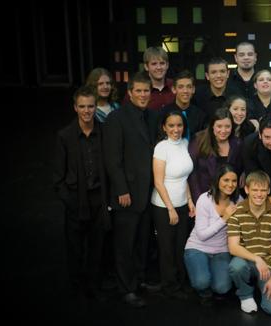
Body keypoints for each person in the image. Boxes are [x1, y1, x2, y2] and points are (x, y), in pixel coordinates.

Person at [104, 72, 159, 308]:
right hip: (127, 194)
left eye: (146, 90)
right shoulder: (116, 118)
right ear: (129, 93)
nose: (143, 95)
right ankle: (126, 288)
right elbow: (112, 159)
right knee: (125, 243)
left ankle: (139, 281)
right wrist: (121, 190)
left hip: (148, 192)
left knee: (142, 241)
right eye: (138, 91)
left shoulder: (152, 116)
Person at [53, 86, 110, 299]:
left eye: (91, 106)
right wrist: (68, 201)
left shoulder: (104, 131)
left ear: (96, 107)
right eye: (82, 106)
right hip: (75, 199)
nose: (87, 111)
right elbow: (58, 176)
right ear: (75, 107)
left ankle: (94, 285)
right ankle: (76, 287)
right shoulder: (65, 136)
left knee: (97, 246)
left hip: (99, 198)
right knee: (75, 248)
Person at [227, 171, 271, 316]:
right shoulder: (237, 212)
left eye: (263, 190)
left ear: (269, 191)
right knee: (236, 267)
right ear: (247, 189)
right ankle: (246, 295)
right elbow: (233, 247)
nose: (259, 194)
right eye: (255, 189)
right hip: (247, 261)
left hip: (270, 265)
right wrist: (256, 258)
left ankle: (264, 285)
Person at [150, 110, 196, 300]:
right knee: (167, 248)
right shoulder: (162, 147)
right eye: (171, 126)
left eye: (179, 125)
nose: (176, 129)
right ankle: (170, 286)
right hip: (163, 206)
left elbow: (184, 177)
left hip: (183, 203)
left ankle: (181, 282)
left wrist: (190, 200)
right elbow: (158, 182)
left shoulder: (185, 144)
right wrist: (170, 208)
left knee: (181, 246)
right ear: (164, 127)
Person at [184, 164, 240, 305]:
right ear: (217, 180)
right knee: (202, 282)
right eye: (226, 180)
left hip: (221, 251)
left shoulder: (238, 201)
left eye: (234, 181)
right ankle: (203, 289)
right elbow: (202, 235)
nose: (230, 184)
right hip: (198, 248)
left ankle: (213, 281)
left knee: (222, 288)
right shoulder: (205, 199)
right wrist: (224, 218)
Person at [188, 107, 242, 202]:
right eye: (219, 126)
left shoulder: (237, 144)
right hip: (203, 196)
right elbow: (192, 175)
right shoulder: (199, 140)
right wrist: (198, 201)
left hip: (228, 198)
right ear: (212, 125)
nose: (223, 130)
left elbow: (239, 169)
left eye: (227, 126)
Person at [122, 47, 175, 111]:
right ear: (146, 66)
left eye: (162, 63)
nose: (159, 67)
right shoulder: (136, 89)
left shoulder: (175, 85)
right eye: (154, 64)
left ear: (167, 65)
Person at [160, 70, 206, 142]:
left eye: (189, 87)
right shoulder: (163, 113)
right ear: (174, 89)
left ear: (193, 89)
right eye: (181, 87)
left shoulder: (200, 115)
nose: (185, 91)